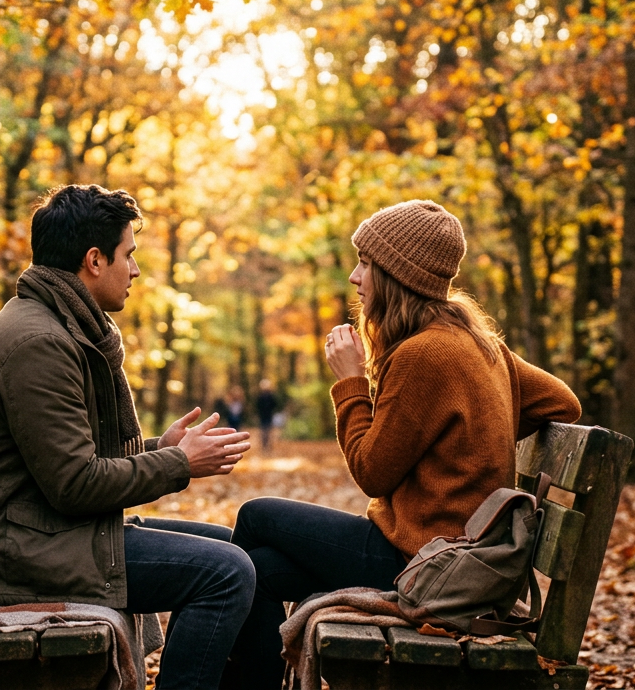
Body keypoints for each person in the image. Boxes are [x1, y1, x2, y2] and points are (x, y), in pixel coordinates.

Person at [223, 200, 582, 689]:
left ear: (397, 274)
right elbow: (564, 403)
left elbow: (372, 473)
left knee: (256, 516)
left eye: (365, 263)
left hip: (419, 560)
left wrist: (350, 383)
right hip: (452, 551)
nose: (354, 277)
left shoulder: (424, 355)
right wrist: (470, 435)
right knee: (257, 572)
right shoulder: (478, 343)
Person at [0, 185, 255, 690]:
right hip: (5, 556)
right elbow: (75, 484)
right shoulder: (39, 343)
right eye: (129, 255)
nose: (136, 270)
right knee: (227, 572)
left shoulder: (58, 326)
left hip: (34, 532)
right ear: (94, 260)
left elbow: (67, 461)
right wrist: (177, 465)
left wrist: (161, 452)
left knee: (246, 549)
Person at [255, 379, 279, 453]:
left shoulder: (271, 396)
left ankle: (268, 447)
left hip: (269, 416)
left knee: (268, 432)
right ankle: (264, 447)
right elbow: (257, 406)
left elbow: (275, 405)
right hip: (263, 417)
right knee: (264, 432)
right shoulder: (260, 397)